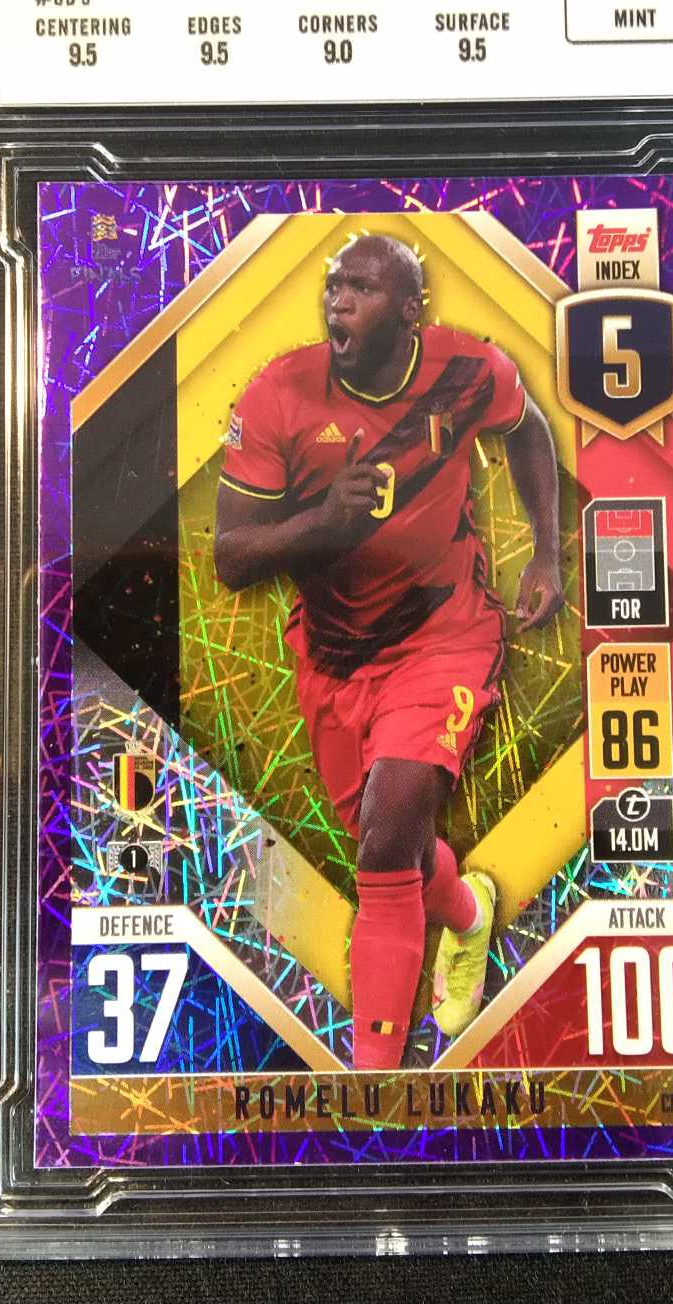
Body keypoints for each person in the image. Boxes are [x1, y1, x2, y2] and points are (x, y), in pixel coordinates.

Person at [214, 233, 563, 1069]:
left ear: (411, 310)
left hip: (445, 635)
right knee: (389, 844)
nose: (338, 299)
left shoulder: (468, 371)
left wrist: (548, 554)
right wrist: (323, 524)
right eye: (335, 284)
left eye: (362, 289)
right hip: (332, 658)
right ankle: (470, 915)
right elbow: (231, 557)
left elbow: (529, 428)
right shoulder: (278, 394)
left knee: (384, 844)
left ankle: (374, 1084)